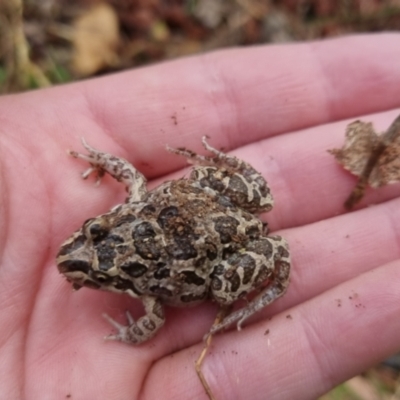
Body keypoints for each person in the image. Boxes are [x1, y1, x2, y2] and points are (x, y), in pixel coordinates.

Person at [1, 33, 400, 399]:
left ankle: (272, 267)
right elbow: (132, 177)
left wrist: (128, 334)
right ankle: (240, 212)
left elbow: (151, 324)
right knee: (205, 183)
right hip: (216, 216)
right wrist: (101, 160)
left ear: (106, 228)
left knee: (222, 288)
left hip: (225, 240)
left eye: (92, 232)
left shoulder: (142, 270)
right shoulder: (134, 212)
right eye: (96, 260)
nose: (78, 247)